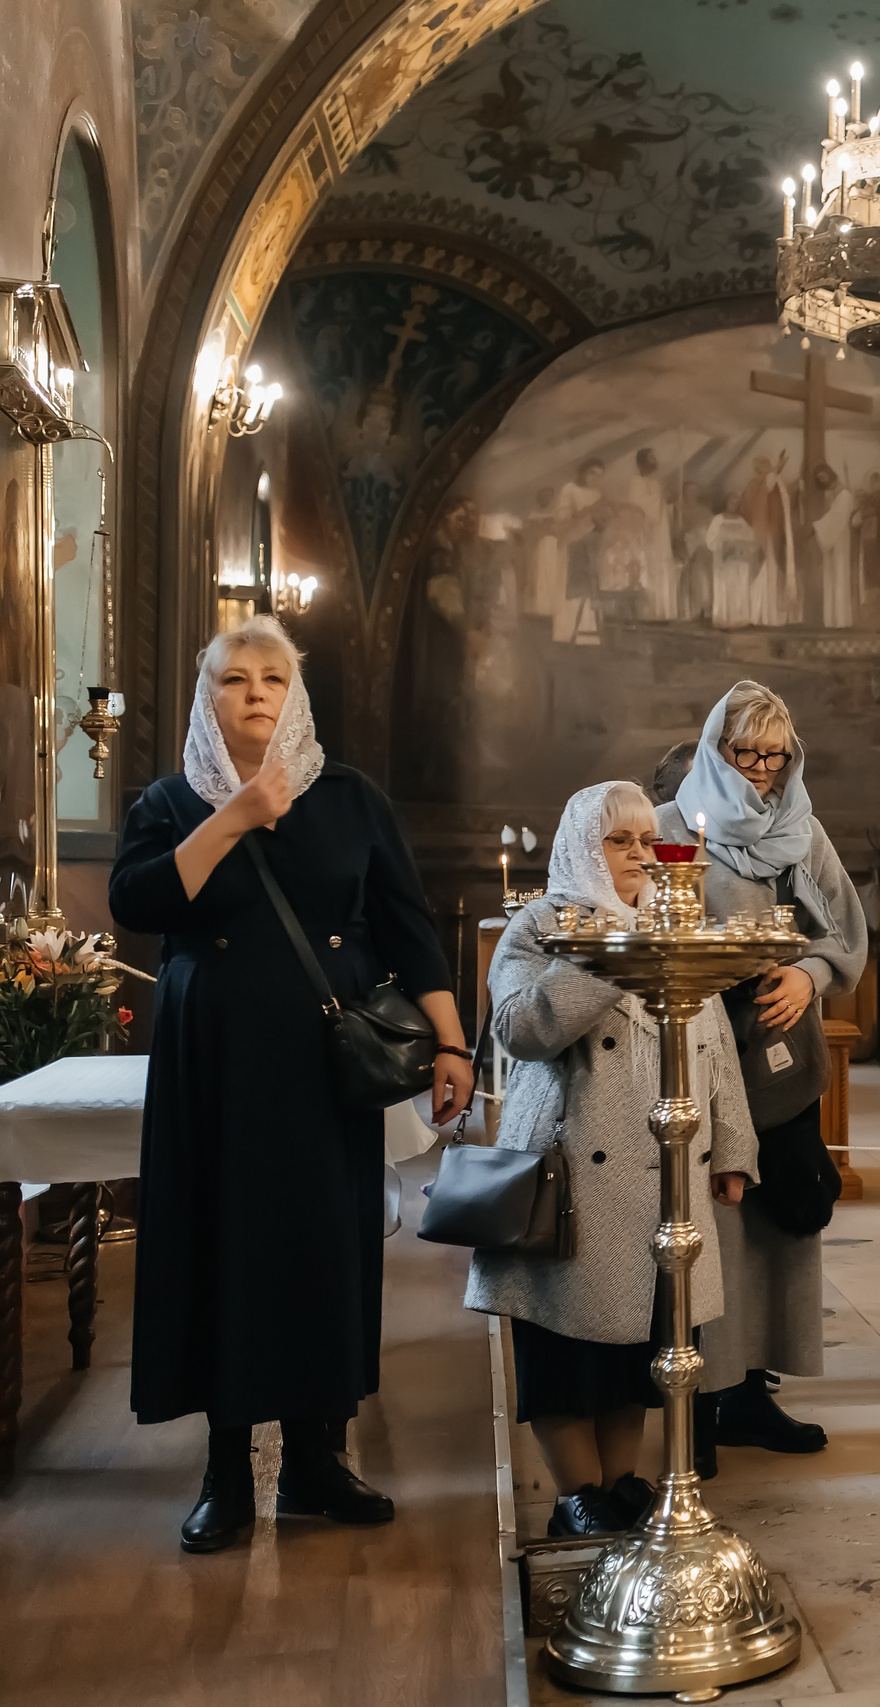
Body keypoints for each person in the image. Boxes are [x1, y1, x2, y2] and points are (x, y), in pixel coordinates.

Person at [109, 614, 473, 1554]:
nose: (256, 691)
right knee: (220, 1247)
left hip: (322, 1067)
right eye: (235, 678)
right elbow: (139, 903)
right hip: (214, 1063)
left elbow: (406, 924)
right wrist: (236, 814)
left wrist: (452, 1042)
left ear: (297, 692)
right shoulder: (169, 800)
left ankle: (319, 1458)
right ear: (209, 696)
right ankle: (227, 1471)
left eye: (274, 676)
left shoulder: (350, 798)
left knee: (324, 1245)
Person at [466, 783, 758, 1536]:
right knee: (566, 1350)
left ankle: (623, 1483)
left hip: (666, 1175)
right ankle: (576, 1495)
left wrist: (732, 1146)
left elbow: (714, 1042)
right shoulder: (541, 924)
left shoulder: (676, 922)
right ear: (580, 846)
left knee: (644, 1339)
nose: (637, 853)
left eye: (643, 839)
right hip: (568, 1177)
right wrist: (607, 951)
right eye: (617, 840)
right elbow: (520, 1028)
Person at [665, 682, 868, 1470]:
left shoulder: (801, 829)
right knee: (710, 1227)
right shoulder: (672, 828)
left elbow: (846, 930)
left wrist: (809, 976)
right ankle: (700, 1400)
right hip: (703, 1058)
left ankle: (753, 1390)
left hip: (782, 1057)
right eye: (743, 753)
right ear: (715, 747)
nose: (759, 772)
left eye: (774, 756)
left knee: (777, 1226)